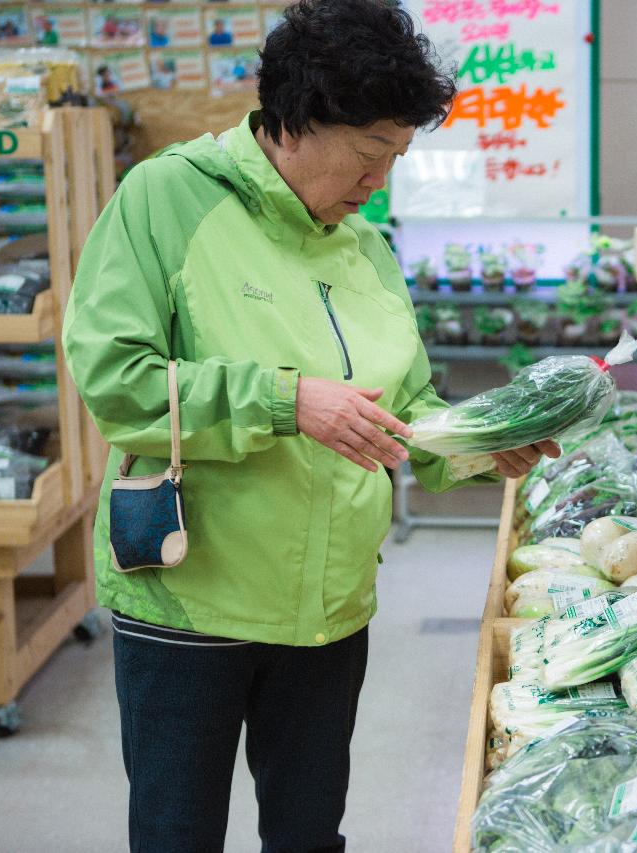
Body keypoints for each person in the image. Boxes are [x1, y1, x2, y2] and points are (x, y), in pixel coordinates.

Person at [62, 2, 558, 850]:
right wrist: (286, 401)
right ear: (296, 121)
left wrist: (475, 442)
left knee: (307, 835)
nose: (381, 180)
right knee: (178, 835)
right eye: (371, 153)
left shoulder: (363, 248)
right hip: (191, 602)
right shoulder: (169, 199)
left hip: (328, 613)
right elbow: (116, 381)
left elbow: (404, 410)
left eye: (396, 157)